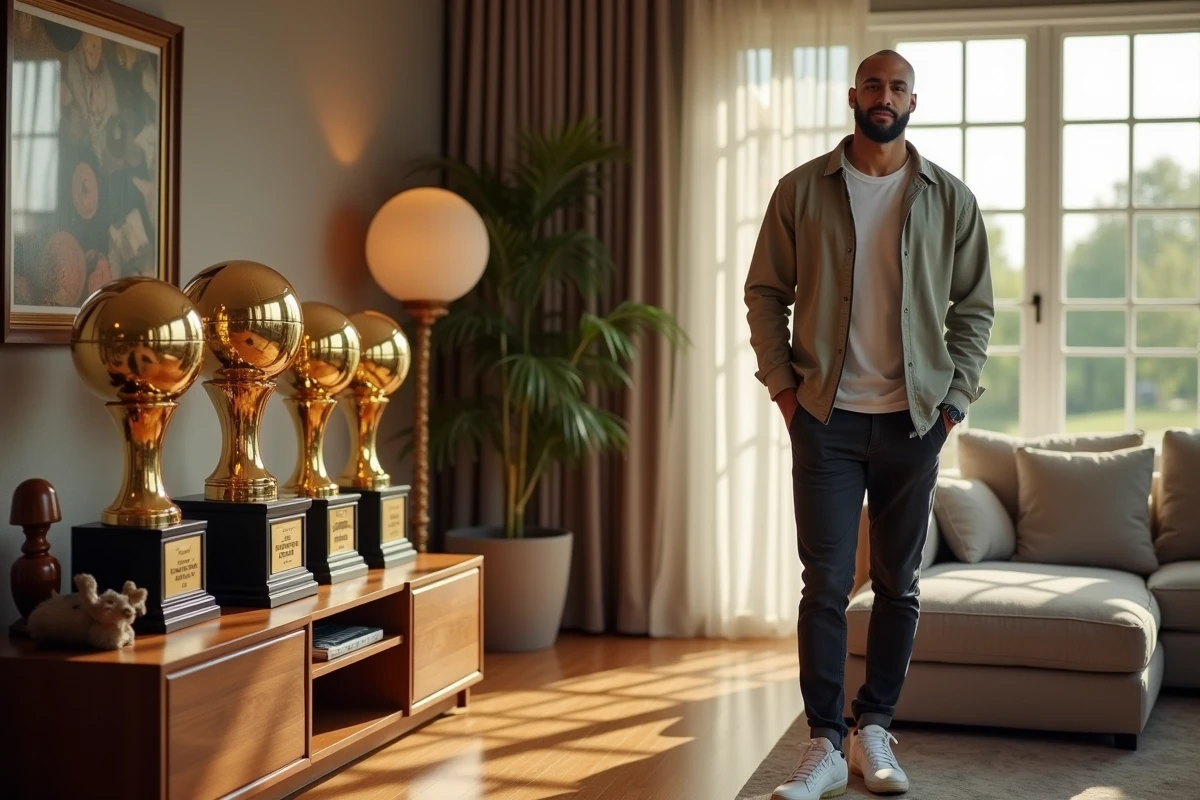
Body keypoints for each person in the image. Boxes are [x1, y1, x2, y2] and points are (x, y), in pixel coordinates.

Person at [743, 49, 995, 799]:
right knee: (823, 583)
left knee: (899, 583)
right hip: (825, 417)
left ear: (914, 101)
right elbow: (764, 294)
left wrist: (953, 405)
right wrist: (785, 392)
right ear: (854, 95)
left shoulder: (950, 198)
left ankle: (874, 731)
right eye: (874, 85)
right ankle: (822, 743)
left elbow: (975, 308)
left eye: (898, 87)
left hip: (915, 423)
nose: (885, 97)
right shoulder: (801, 190)